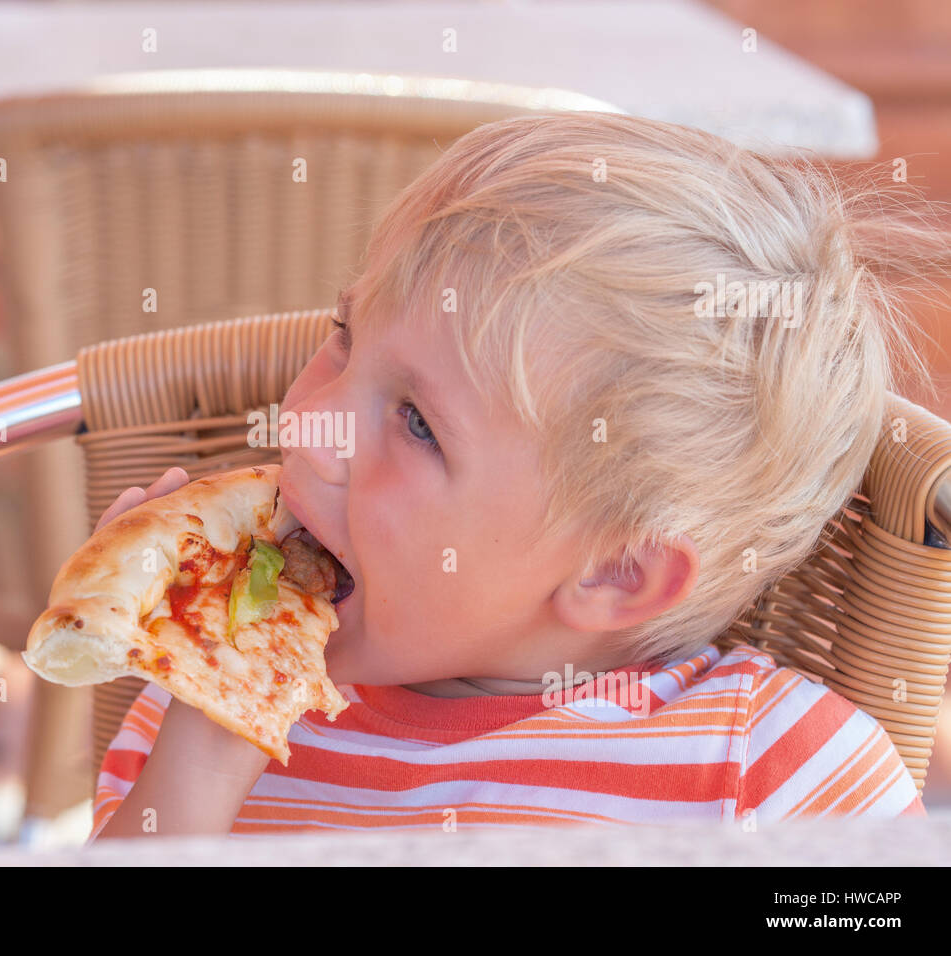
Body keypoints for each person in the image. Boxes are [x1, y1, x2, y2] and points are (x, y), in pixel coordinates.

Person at [87, 112, 944, 840]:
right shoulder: (193, 722)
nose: (308, 425)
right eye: (346, 335)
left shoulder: (767, 776)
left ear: (614, 573)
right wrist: (208, 730)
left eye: (418, 424)